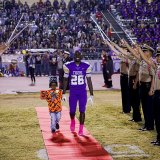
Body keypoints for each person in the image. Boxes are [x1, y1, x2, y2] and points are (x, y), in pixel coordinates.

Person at [62, 50, 94, 136]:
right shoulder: (68, 66)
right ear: (73, 56)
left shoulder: (86, 66)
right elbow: (65, 80)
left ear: (81, 56)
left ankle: (81, 128)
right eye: (76, 54)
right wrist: (63, 93)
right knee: (72, 111)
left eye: (79, 54)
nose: (77, 56)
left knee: (82, 111)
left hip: (82, 92)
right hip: (73, 92)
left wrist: (91, 95)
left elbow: (89, 81)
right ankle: (72, 121)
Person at [138, 47, 160, 145]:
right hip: (156, 93)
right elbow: (146, 60)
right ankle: (158, 138)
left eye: (159, 56)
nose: (158, 58)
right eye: (158, 56)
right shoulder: (157, 66)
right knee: (157, 117)